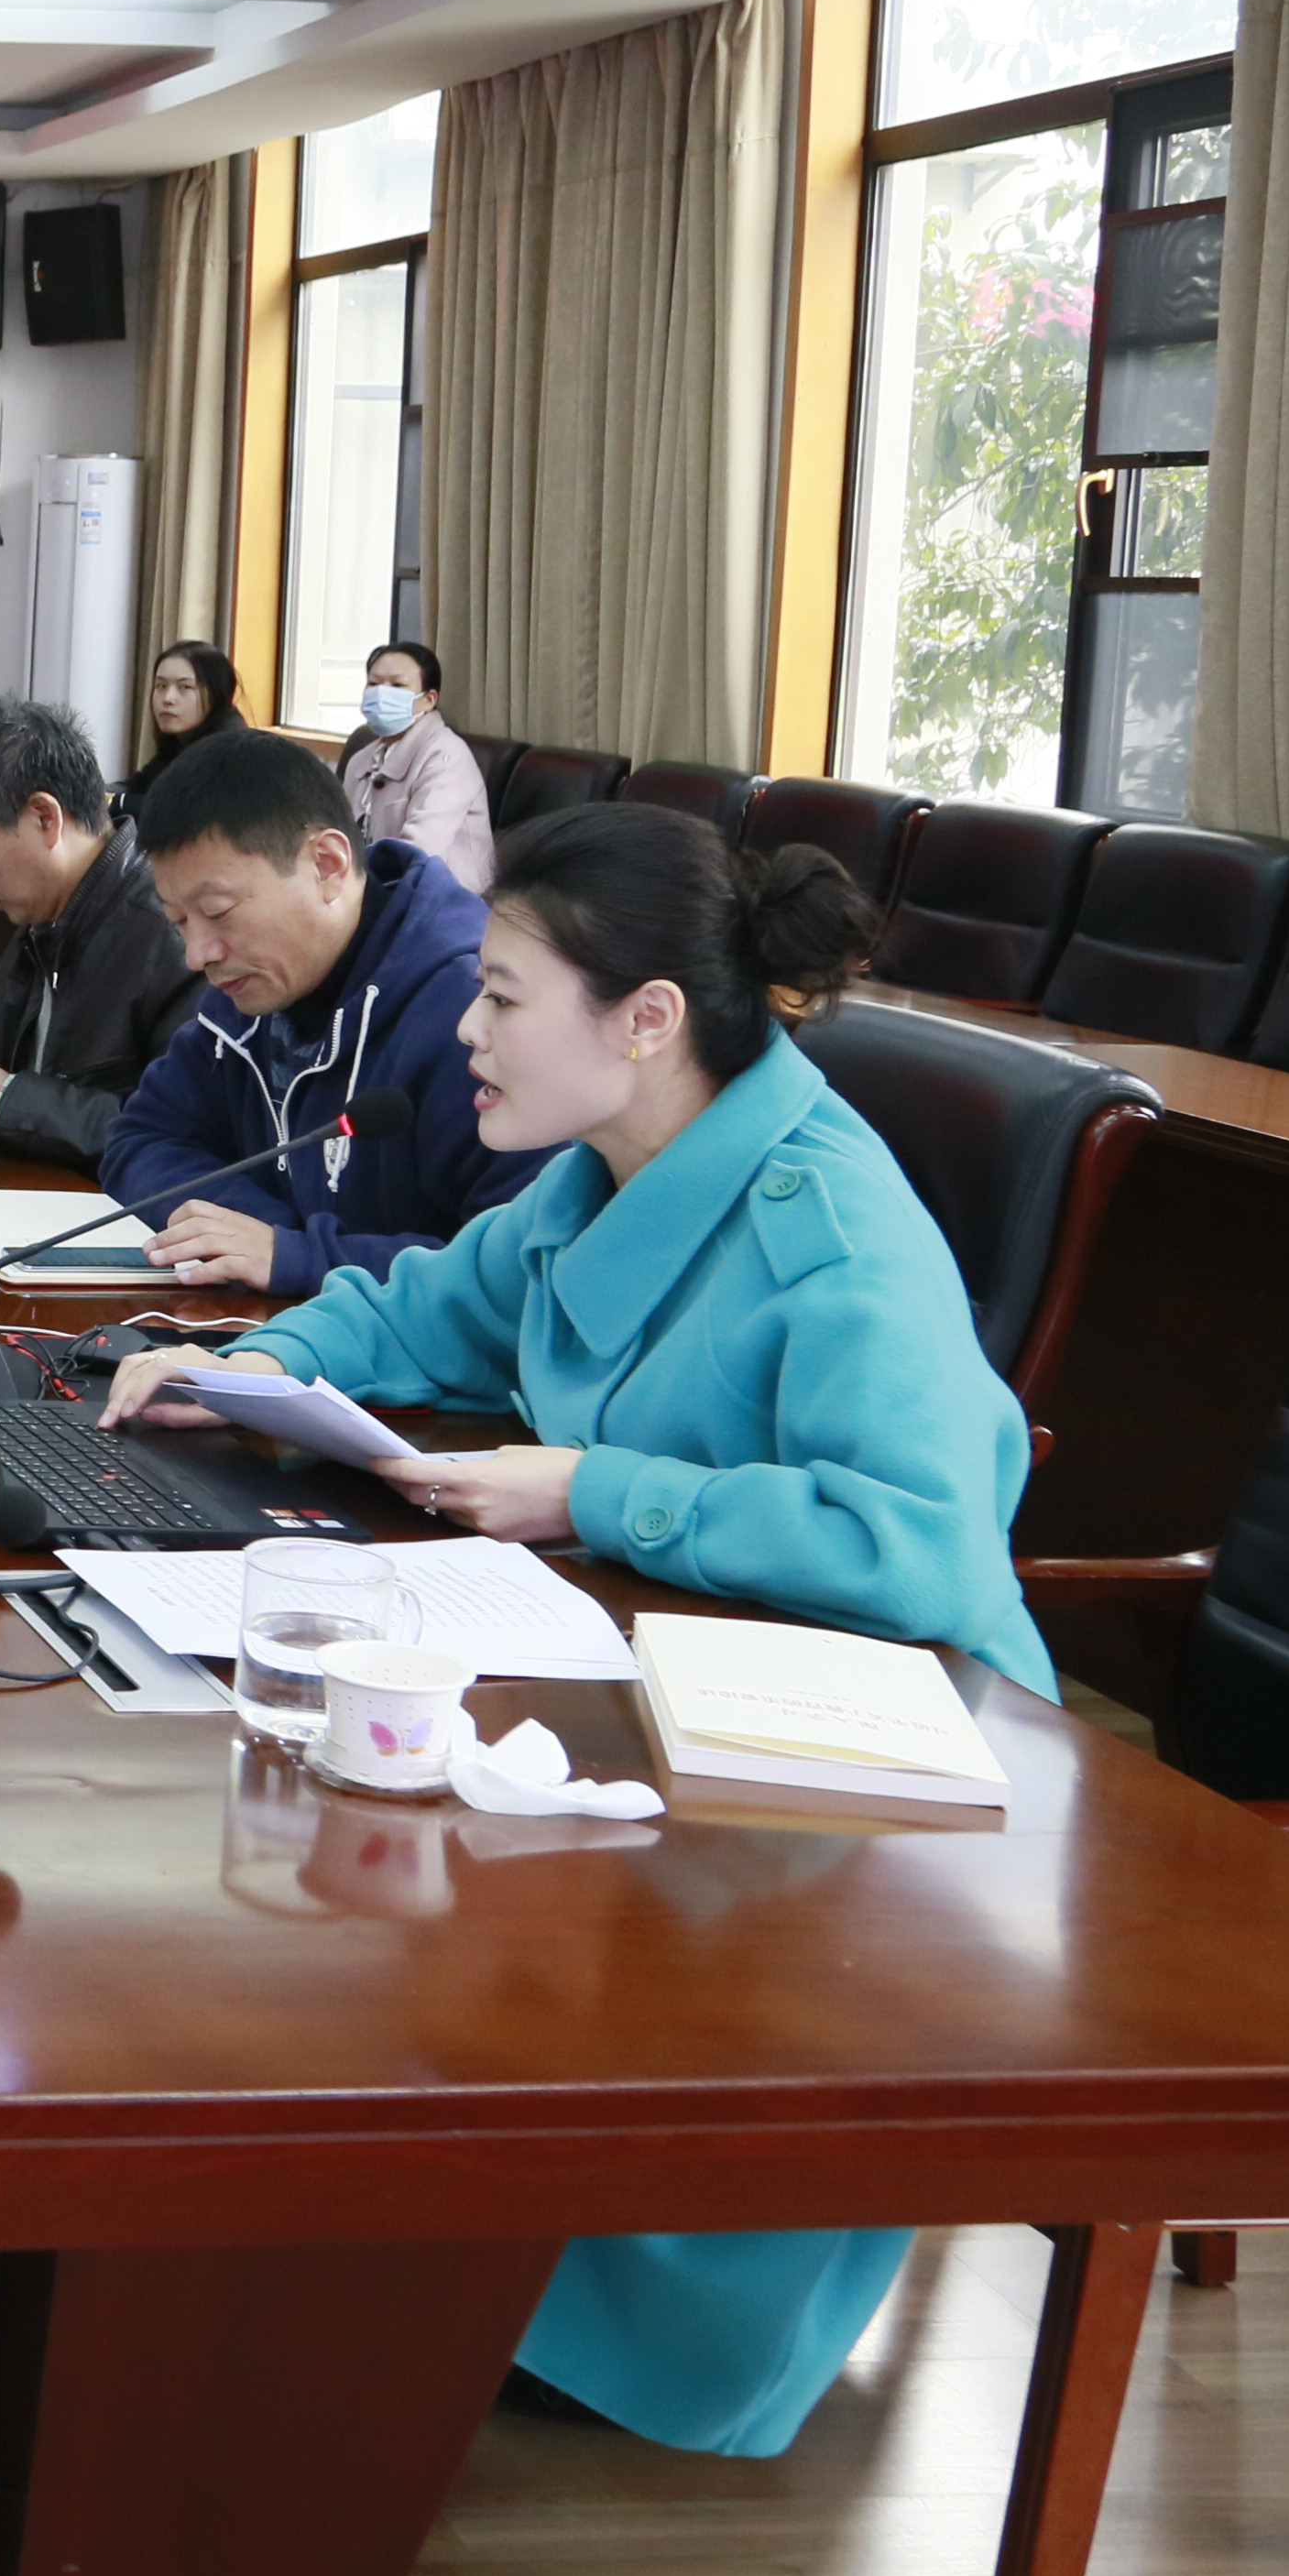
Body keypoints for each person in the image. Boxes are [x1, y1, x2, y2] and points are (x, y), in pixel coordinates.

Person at [105, 802, 1044, 2461]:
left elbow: (912, 1545)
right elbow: (424, 1308)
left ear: (646, 1019)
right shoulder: (607, 1173)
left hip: (865, 1765)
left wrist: (598, 1488)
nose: (465, 1030)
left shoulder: (831, 1233)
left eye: (501, 997)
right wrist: (241, 1368)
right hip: (664, 1670)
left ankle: (601, 2316)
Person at [96, 727, 540, 1293]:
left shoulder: (474, 1014)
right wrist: (261, 1234)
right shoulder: (253, 988)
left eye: (219, 912)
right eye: (179, 921)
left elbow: (520, 1270)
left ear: (327, 864)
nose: (197, 954)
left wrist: (301, 1254)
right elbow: (139, 1141)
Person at [0, 694, 205, 1170]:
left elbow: (182, 1132)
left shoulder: (174, 936)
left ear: (45, 818)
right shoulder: (47, 911)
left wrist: (12, 1104)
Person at [339, 639, 494, 888]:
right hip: (372, 891)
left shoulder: (446, 757)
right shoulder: (361, 760)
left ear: (429, 699)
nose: (382, 693)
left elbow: (419, 853)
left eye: (398, 685)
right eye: (374, 684)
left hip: (441, 899)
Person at [128, 639, 246, 805]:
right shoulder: (181, 739)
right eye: (161, 686)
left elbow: (175, 810)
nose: (168, 699)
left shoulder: (228, 752)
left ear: (216, 693)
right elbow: (140, 784)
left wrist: (116, 802)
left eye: (185, 687)